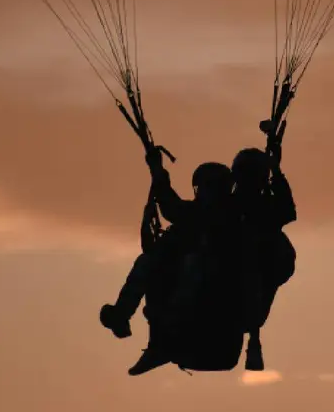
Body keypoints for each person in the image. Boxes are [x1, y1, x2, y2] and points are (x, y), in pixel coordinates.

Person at [100, 147, 239, 375]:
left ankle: (164, 335)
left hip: (211, 289)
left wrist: (157, 171)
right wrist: (157, 171)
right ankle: (123, 315)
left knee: (192, 264)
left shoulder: (231, 216)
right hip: (184, 285)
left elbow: (171, 207)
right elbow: (171, 206)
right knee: (148, 261)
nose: (204, 193)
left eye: (208, 187)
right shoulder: (196, 214)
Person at [230, 142, 297, 370]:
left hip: (259, 275)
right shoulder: (229, 206)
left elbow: (287, 211)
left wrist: (276, 171)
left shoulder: (263, 207)